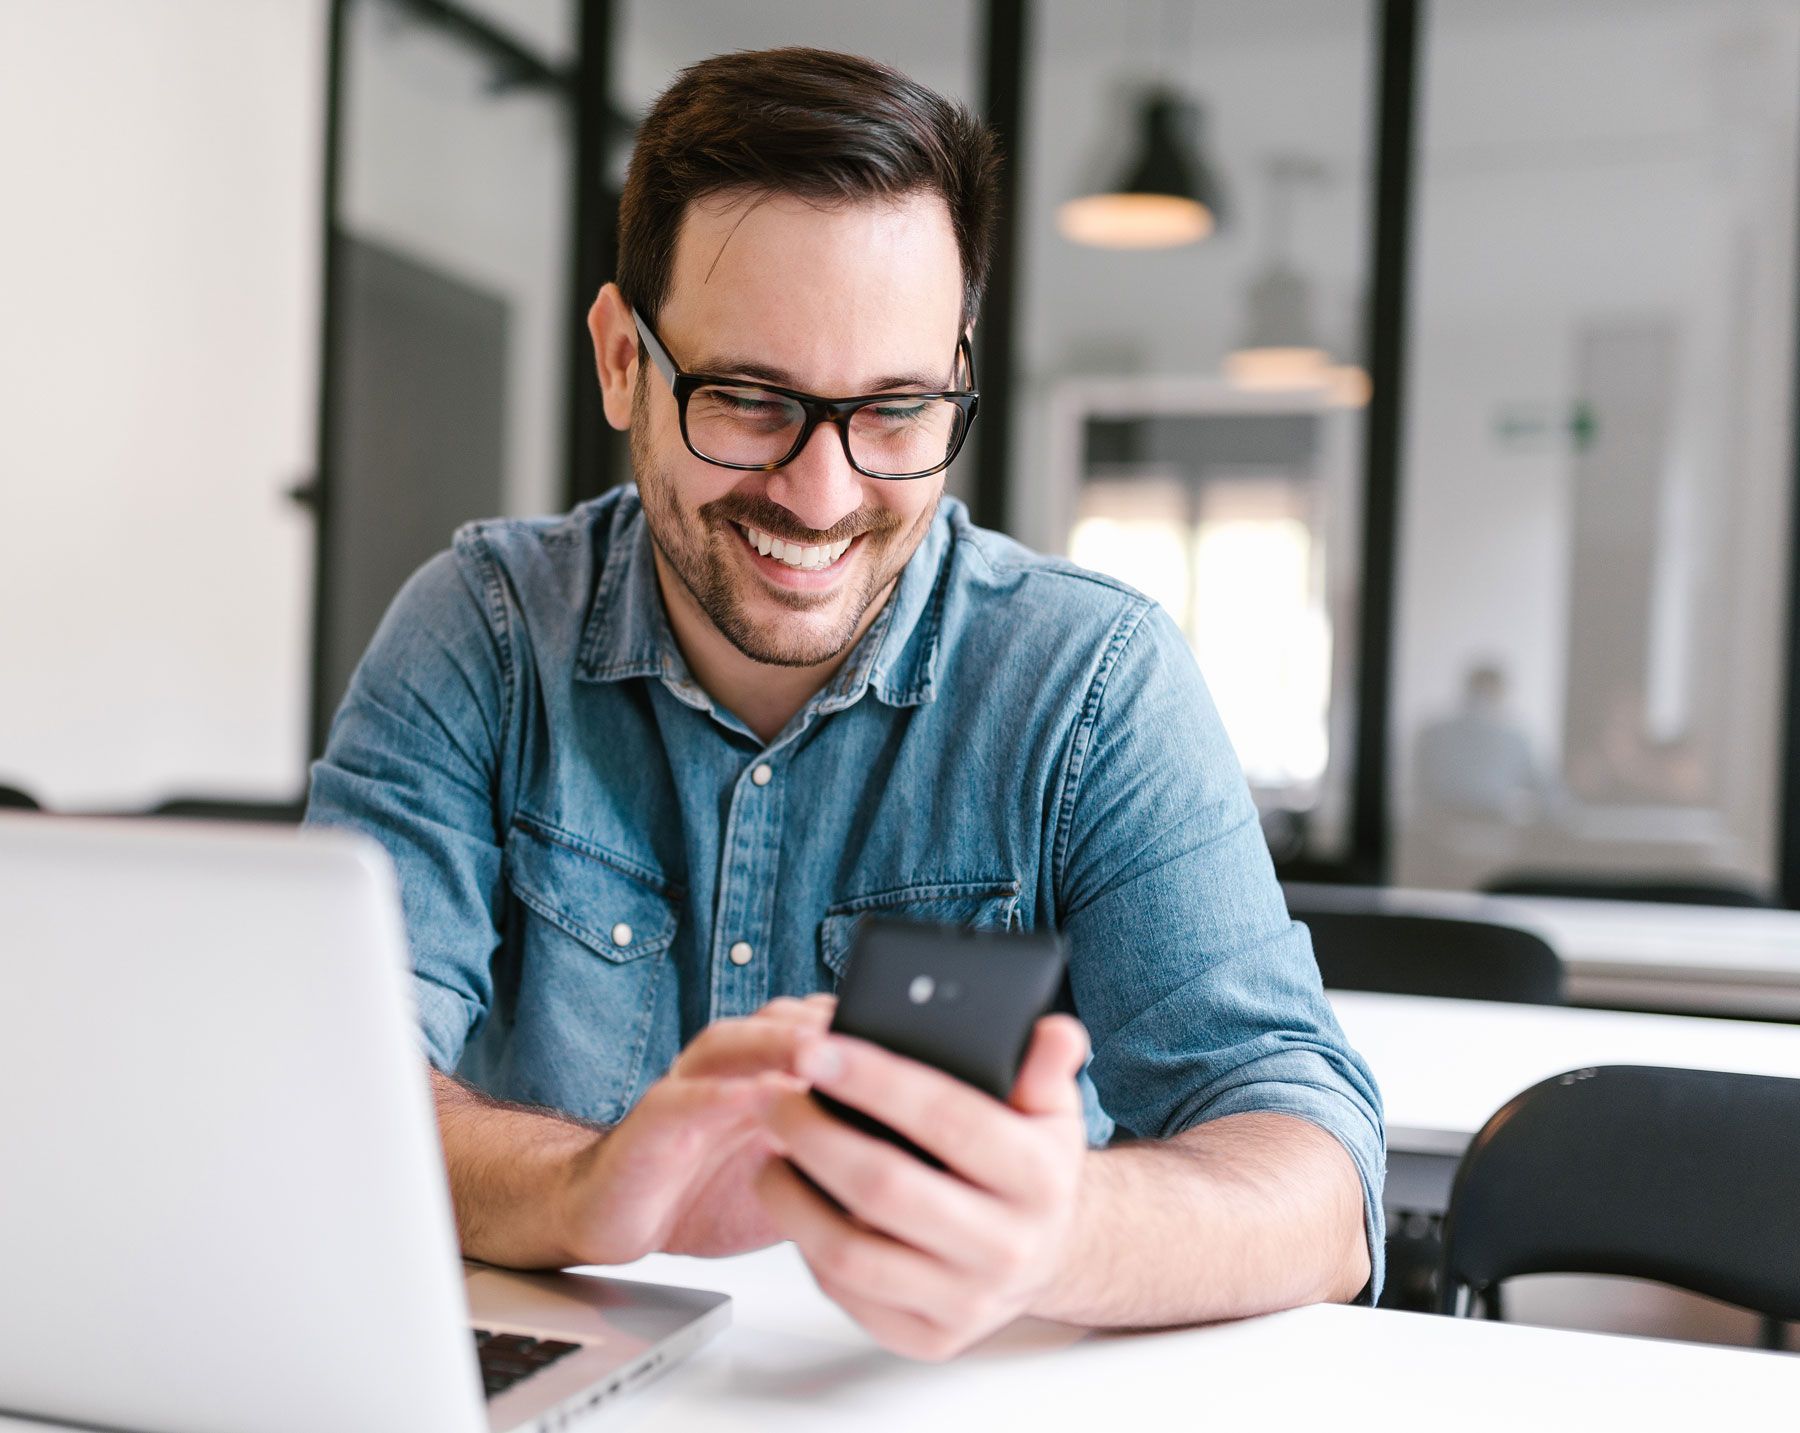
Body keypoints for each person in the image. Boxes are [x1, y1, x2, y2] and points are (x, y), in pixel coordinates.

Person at [306, 47, 1384, 1360]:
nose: (820, 497)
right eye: (750, 401)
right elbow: (325, 1092)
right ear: (620, 363)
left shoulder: (1092, 683)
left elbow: (1319, 1184)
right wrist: (592, 1187)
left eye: (893, 410)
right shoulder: (478, 635)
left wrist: (1058, 1230)